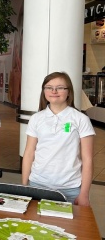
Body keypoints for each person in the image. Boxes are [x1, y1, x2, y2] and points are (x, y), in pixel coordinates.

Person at [22, 72, 95, 205]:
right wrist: (24, 185)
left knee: (68, 225)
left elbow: (87, 159)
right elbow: (29, 153)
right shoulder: (36, 118)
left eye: (60, 87)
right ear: (44, 91)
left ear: (69, 91)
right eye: (49, 87)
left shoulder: (80, 119)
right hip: (38, 184)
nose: (54, 91)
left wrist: (84, 193)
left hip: (70, 188)